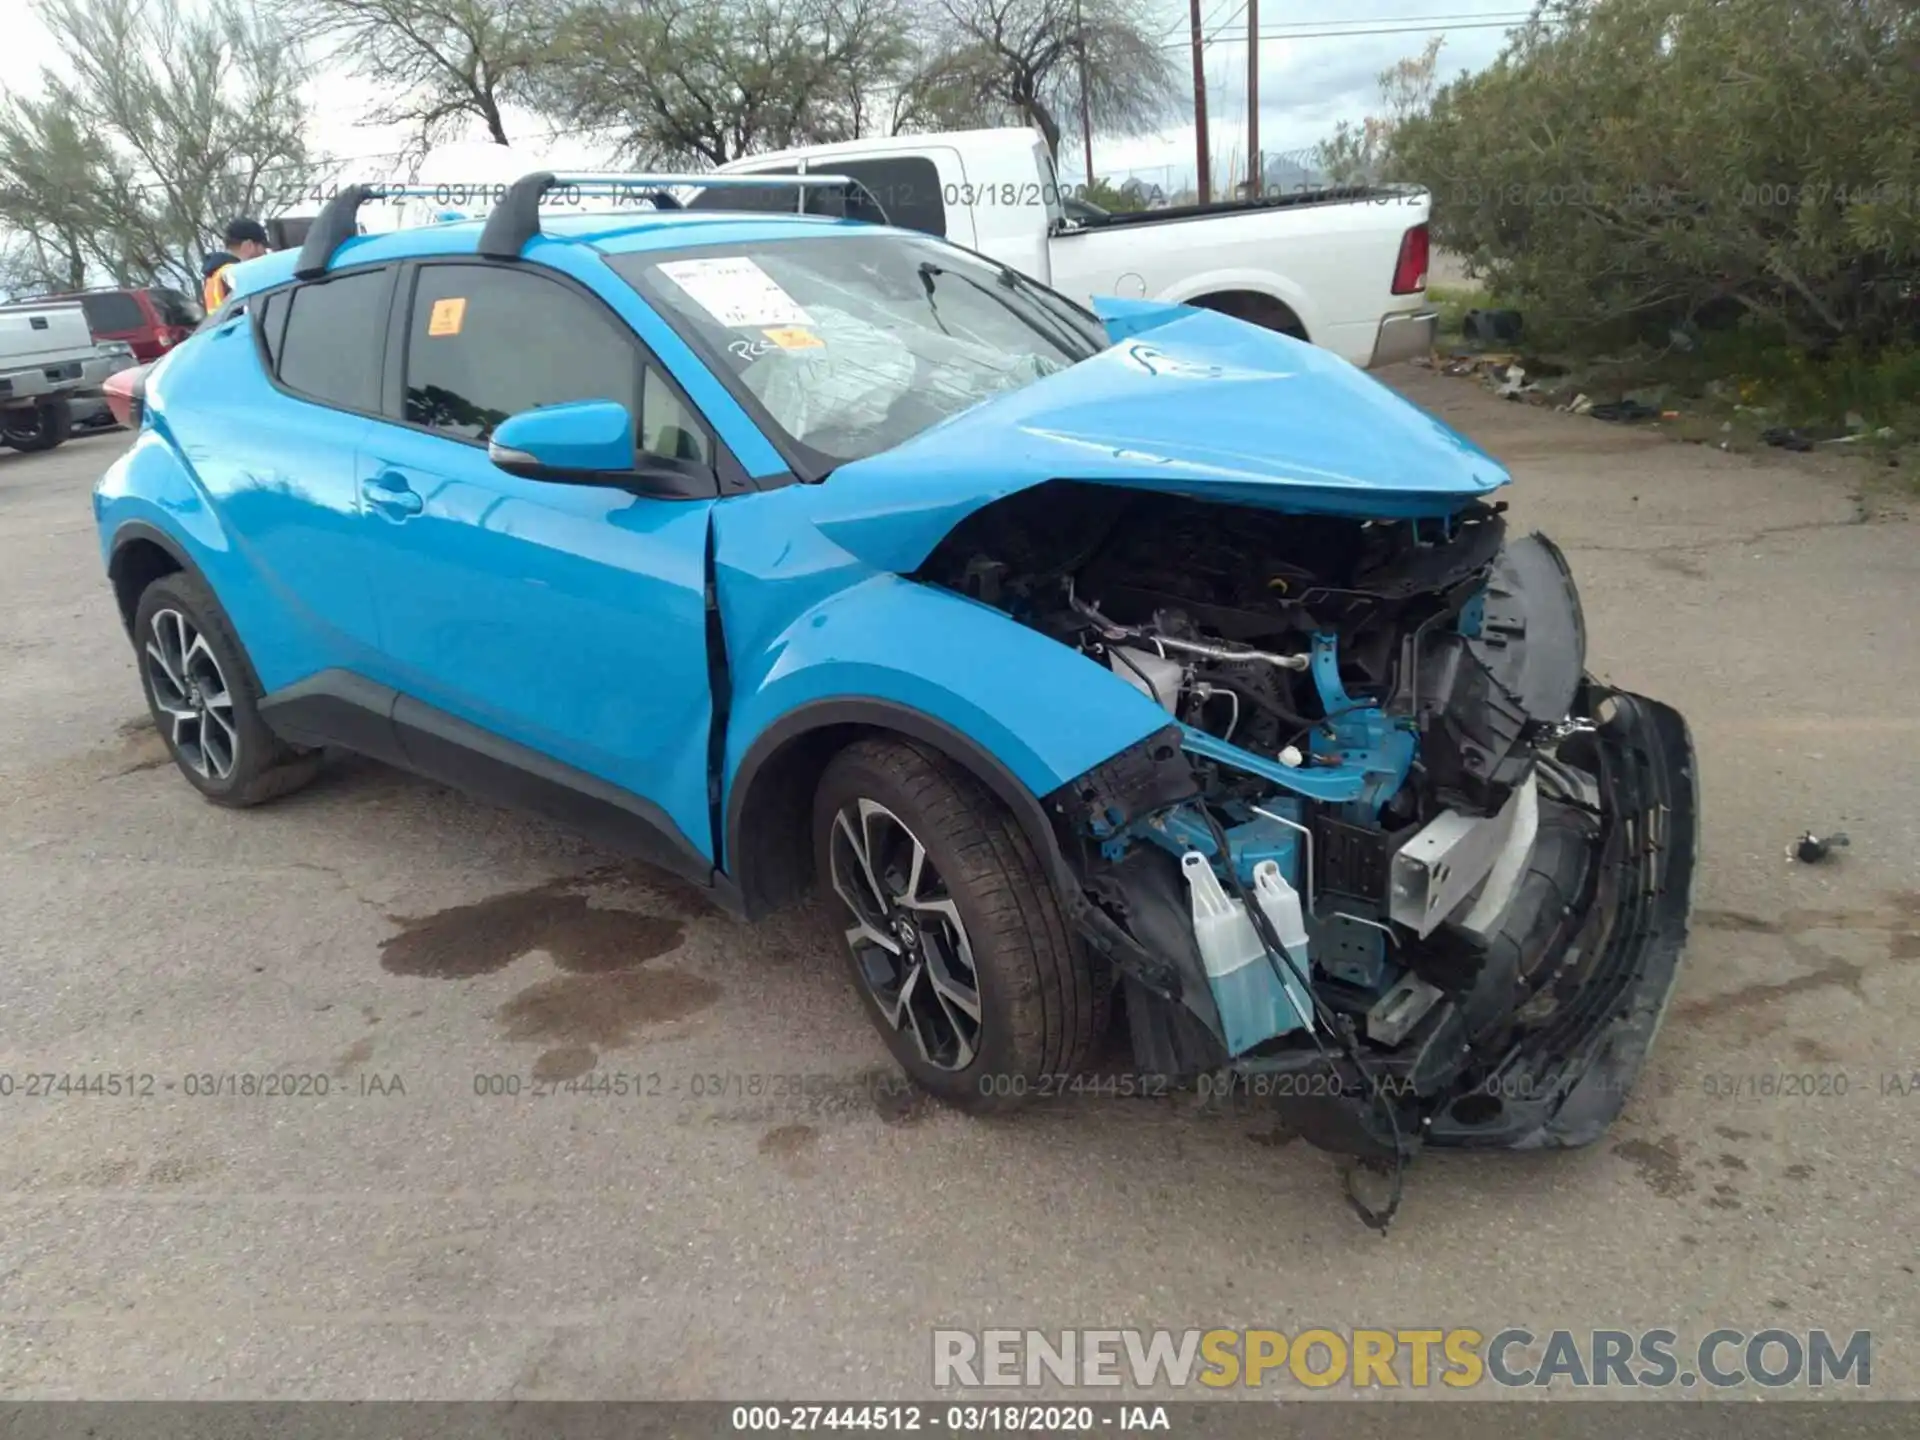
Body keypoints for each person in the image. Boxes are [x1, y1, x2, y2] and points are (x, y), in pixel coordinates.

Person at [201, 218, 270, 311]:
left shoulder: (214, 276)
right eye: (263, 248)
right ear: (249, 245)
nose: (265, 254)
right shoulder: (237, 277)